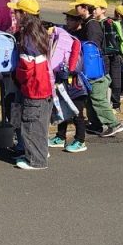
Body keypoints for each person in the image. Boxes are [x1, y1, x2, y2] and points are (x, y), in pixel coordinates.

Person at [7, 0, 54, 169]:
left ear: (24, 14)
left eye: (16, 12)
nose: (14, 15)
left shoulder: (27, 35)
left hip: (33, 87)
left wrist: (17, 76)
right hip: (42, 86)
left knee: (31, 124)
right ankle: (36, 153)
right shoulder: (39, 31)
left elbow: (26, 66)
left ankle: (36, 160)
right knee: (38, 123)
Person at [73, 0, 123, 137]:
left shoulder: (92, 26)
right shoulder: (89, 24)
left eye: (78, 6)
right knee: (90, 98)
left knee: (97, 98)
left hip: (97, 70)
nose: (75, 8)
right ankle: (96, 124)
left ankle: (114, 124)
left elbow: (92, 50)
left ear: (84, 8)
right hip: (94, 69)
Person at [49, 9, 88, 153]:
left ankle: (80, 140)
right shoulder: (65, 35)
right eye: (67, 20)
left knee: (77, 112)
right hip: (64, 80)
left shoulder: (77, 38)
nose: (67, 23)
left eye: (71, 20)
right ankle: (60, 137)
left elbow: (75, 64)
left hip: (76, 82)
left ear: (78, 21)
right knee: (62, 109)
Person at [95, 0, 123, 109]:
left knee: (108, 79)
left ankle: (110, 103)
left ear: (103, 10)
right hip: (115, 53)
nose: (93, 11)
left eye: (95, 8)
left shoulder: (102, 23)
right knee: (116, 78)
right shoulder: (112, 21)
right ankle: (116, 104)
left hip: (106, 54)